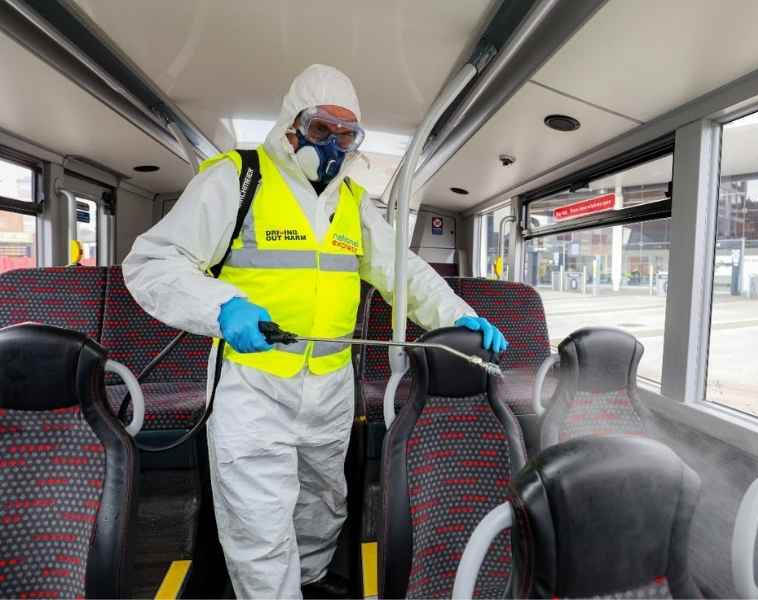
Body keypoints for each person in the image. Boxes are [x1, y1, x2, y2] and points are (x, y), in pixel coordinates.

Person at [122, 64, 508, 599]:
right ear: (291, 126)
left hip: (329, 389)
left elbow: (406, 273)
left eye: (347, 134)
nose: (334, 144)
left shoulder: (353, 202)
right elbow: (152, 264)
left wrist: (454, 315)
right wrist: (224, 307)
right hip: (254, 388)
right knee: (259, 524)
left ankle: (310, 583)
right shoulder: (238, 177)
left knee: (322, 508)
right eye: (321, 129)